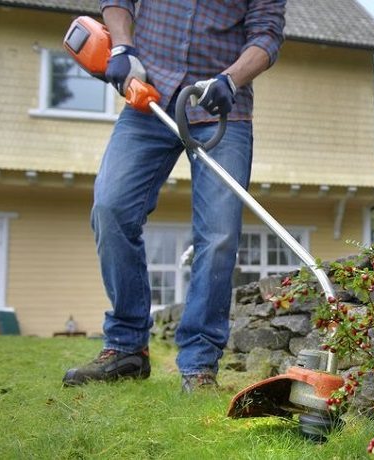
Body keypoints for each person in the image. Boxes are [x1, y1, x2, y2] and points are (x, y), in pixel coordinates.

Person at [63, 0, 287, 392]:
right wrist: (121, 47)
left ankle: (199, 366)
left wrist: (231, 80)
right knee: (111, 208)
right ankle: (127, 347)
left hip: (219, 107)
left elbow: (266, 37)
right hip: (147, 97)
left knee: (218, 237)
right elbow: (118, 4)